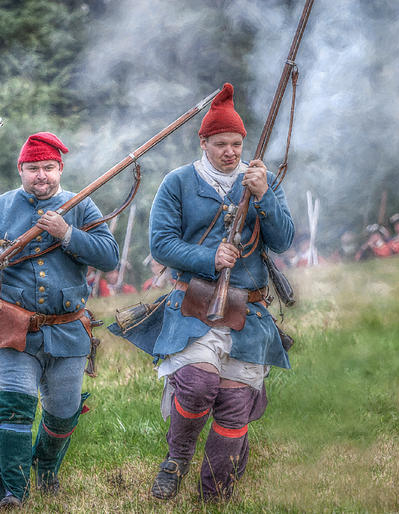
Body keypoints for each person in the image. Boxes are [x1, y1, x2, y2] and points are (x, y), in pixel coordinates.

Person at [109, 83, 294, 502]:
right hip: (194, 303)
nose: (231, 151)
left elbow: (283, 240)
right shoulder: (177, 183)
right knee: (195, 385)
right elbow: (162, 245)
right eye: (221, 143)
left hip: (250, 311)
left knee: (233, 406)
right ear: (204, 142)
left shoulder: (260, 180)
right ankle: (177, 458)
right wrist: (210, 257)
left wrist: (264, 195)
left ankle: (216, 496)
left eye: (237, 143)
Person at [0, 132, 119, 508]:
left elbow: (109, 257)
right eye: (32, 168)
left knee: (62, 413)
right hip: (10, 328)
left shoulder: (81, 206)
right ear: (20, 170)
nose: (40, 175)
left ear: (60, 169)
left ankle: (45, 466)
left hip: (67, 329)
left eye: (48, 168)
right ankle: (12, 490)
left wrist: (68, 233)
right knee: (15, 404)